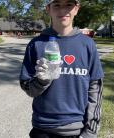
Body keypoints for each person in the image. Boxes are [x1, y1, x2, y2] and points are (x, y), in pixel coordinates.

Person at [19, 0, 104, 138]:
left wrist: (90, 132)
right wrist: (41, 81)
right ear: (48, 9)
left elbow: (95, 89)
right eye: (57, 5)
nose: (63, 10)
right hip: (43, 128)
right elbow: (27, 87)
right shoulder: (36, 44)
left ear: (76, 9)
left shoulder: (88, 44)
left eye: (69, 5)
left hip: (76, 130)